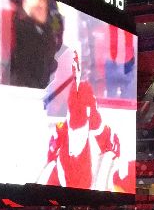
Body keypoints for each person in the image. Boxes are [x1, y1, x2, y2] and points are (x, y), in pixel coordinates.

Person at [39, 49, 126, 191]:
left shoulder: (83, 101)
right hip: (70, 169)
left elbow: (97, 127)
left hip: (81, 170)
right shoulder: (62, 122)